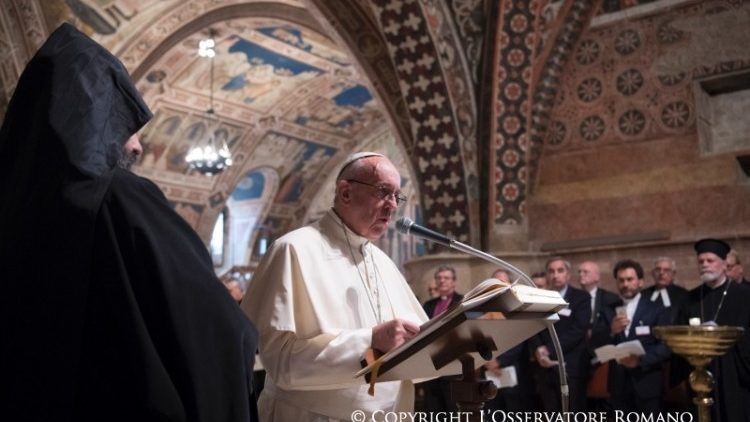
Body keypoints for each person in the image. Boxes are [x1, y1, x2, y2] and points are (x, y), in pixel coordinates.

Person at [0, 24, 259, 422]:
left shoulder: (14, 209)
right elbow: (218, 331)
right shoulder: (119, 198)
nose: (137, 144)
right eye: (124, 123)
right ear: (96, 115)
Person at [241, 152, 427, 421]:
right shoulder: (294, 250)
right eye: (383, 192)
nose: (392, 206)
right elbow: (280, 362)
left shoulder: (383, 262)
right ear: (346, 192)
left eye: (396, 196)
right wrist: (370, 340)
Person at [677, 238, 750, 422]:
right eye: (701, 261)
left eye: (710, 260)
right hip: (701, 370)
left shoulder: (743, 295)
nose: (704, 265)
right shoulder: (690, 298)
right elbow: (681, 333)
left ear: (724, 264)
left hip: (732, 371)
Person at [590, 259, 670, 414]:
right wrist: (611, 331)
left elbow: (666, 346)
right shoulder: (608, 311)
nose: (625, 284)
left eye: (630, 279)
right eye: (621, 280)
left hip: (647, 383)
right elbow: (594, 343)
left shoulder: (656, 309)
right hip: (618, 385)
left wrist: (640, 360)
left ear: (640, 282)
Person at [529, 257, 591, 412]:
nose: (555, 275)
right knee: (551, 412)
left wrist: (548, 349)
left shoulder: (581, 298)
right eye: (551, 271)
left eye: (560, 270)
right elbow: (532, 327)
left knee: (573, 411)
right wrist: (538, 350)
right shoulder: (541, 298)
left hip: (571, 366)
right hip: (545, 366)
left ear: (568, 274)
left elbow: (578, 330)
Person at [420, 265, 463, 412]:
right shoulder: (428, 305)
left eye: (446, 278)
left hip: (453, 364)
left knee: (453, 410)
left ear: (454, 282)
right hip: (430, 365)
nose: (442, 281)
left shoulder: (462, 301)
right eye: (439, 278)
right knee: (433, 410)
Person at [642, 257, 689, 323]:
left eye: (666, 270)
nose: (661, 273)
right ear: (652, 273)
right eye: (658, 269)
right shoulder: (643, 295)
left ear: (673, 274)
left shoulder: (683, 295)